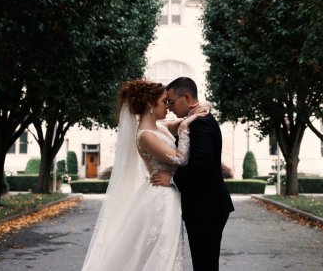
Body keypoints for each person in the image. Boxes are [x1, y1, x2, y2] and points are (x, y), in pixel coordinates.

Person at [81, 80, 208, 271]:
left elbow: (189, 116)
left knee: (168, 250)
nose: (168, 106)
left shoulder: (161, 127)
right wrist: (184, 128)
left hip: (169, 193)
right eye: (164, 101)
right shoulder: (145, 135)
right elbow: (180, 159)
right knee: (161, 251)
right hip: (161, 197)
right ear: (151, 104)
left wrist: (200, 108)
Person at [151, 77, 235, 271]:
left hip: (207, 208)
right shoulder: (194, 120)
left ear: (186, 97)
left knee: (205, 264)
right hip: (205, 207)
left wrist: (171, 179)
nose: (169, 107)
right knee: (204, 262)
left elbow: (201, 165)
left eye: (171, 101)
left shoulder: (201, 123)